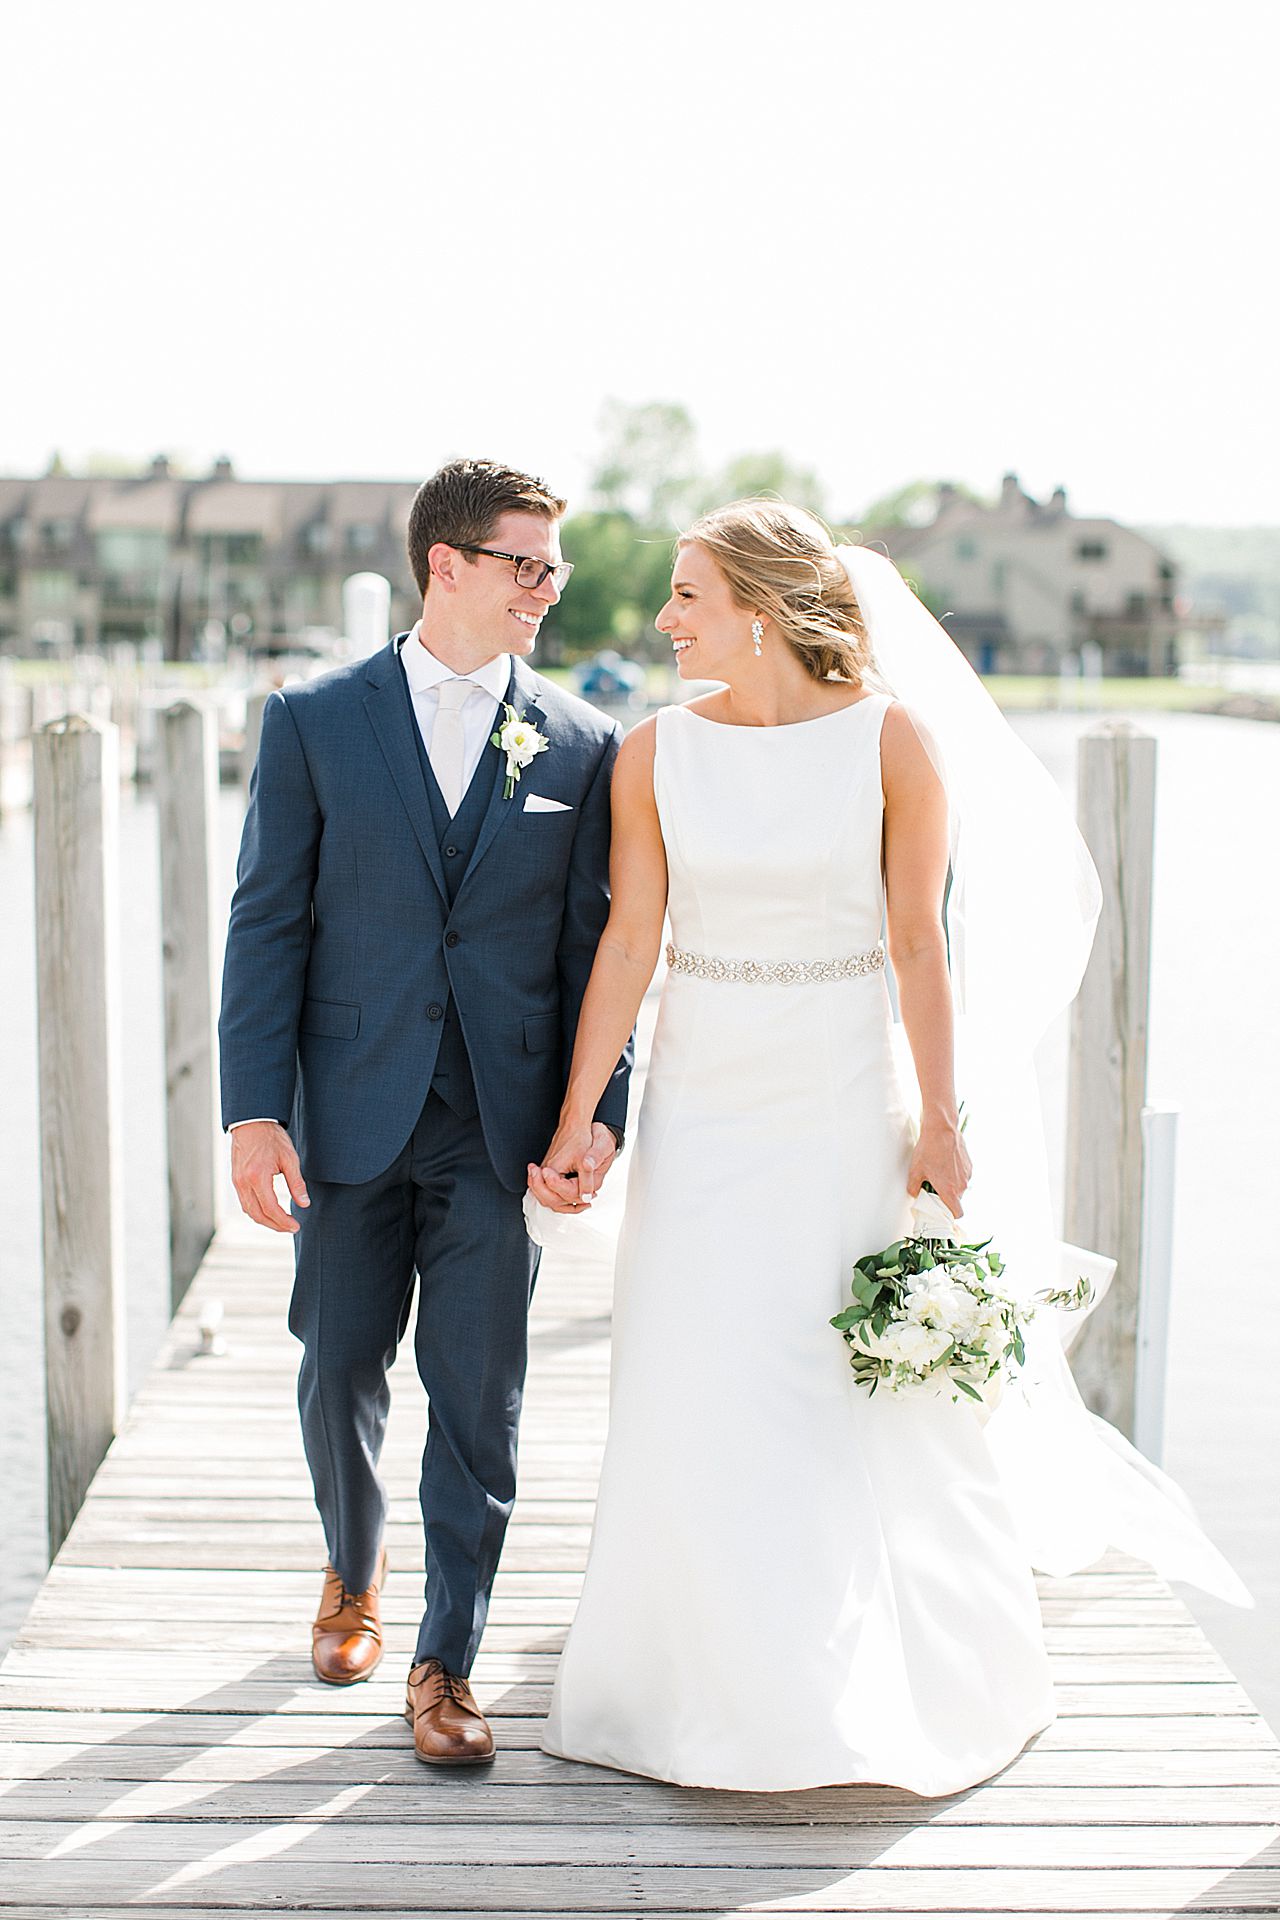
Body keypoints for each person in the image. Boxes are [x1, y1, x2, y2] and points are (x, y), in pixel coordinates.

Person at [528, 499, 1251, 1797]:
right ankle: (687, 1676)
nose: (662, 619)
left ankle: (852, 1680)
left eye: (685, 594)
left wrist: (942, 1120)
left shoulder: (892, 742)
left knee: (831, 1384)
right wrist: (584, 1114)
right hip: (703, 1107)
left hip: (840, 1106)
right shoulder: (653, 756)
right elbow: (630, 944)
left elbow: (923, 945)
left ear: (757, 610)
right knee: (693, 1369)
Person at [218, 458, 631, 1767]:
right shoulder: (313, 719)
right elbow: (267, 924)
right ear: (444, 563)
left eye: (553, 569)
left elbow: (597, 951)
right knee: (339, 1360)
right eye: (528, 564)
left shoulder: (578, 742)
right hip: (345, 1108)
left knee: (479, 1395)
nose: (548, 591)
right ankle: (353, 1568)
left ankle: (447, 1664)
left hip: (496, 1123)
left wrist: (598, 1111)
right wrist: (250, 1111)